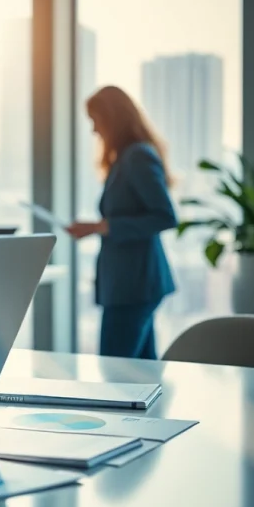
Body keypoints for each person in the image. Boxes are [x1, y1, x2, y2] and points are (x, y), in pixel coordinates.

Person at [67, 85, 177, 360]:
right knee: (141, 373)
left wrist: (104, 227)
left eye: (96, 121)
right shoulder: (124, 159)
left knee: (115, 373)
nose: (94, 131)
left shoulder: (137, 157)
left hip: (134, 286)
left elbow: (165, 216)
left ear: (112, 119)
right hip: (129, 286)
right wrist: (96, 227)